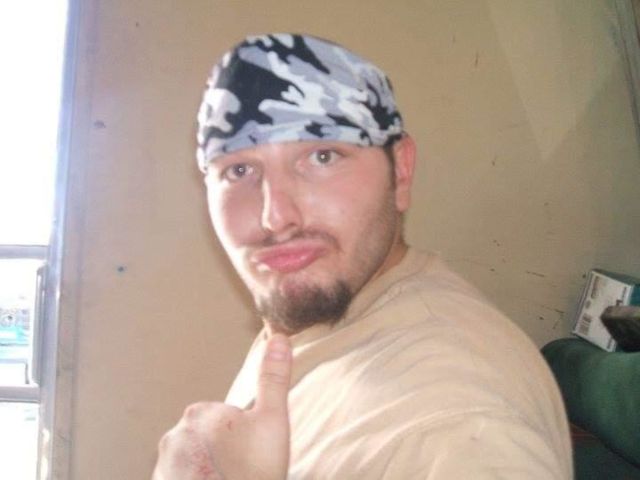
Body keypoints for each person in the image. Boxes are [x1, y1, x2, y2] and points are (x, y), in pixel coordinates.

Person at [153, 33, 573, 479]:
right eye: (239, 170)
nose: (276, 218)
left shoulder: (451, 419)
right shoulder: (317, 317)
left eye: (322, 156)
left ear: (401, 170)